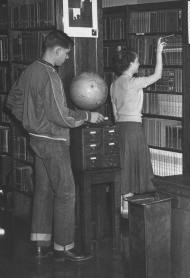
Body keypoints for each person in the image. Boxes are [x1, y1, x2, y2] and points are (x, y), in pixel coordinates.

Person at [6, 29, 105, 261]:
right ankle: (64, 247)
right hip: (53, 141)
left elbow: (11, 101)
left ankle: (41, 242)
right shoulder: (50, 75)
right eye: (67, 53)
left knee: (43, 190)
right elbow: (61, 115)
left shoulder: (30, 70)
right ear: (57, 50)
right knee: (66, 192)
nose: (67, 58)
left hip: (36, 139)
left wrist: (32, 122)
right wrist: (86, 117)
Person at [110, 38, 166, 217]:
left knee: (124, 165)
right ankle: (127, 206)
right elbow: (157, 76)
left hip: (119, 128)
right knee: (133, 165)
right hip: (133, 128)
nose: (139, 63)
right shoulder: (133, 82)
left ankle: (123, 202)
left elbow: (115, 113)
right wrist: (158, 53)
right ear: (130, 64)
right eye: (136, 61)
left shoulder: (113, 84)